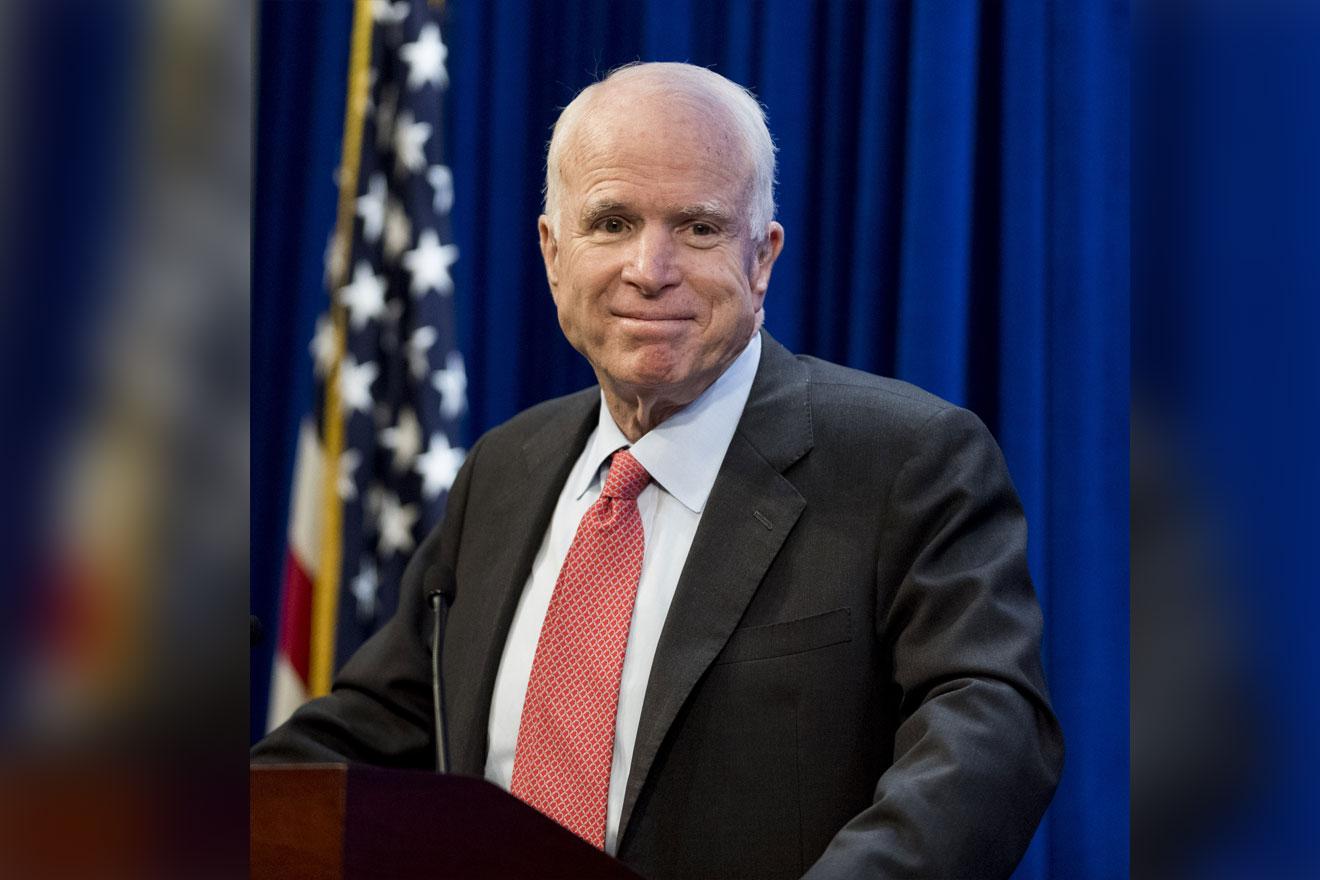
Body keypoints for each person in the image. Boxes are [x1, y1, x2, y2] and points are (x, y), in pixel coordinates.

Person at [254, 62, 1062, 879]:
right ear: (552, 254)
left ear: (762, 259)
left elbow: (989, 732)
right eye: (611, 222)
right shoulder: (506, 470)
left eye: (699, 227)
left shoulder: (906, 460)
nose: (651, 267)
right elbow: (367, 737)